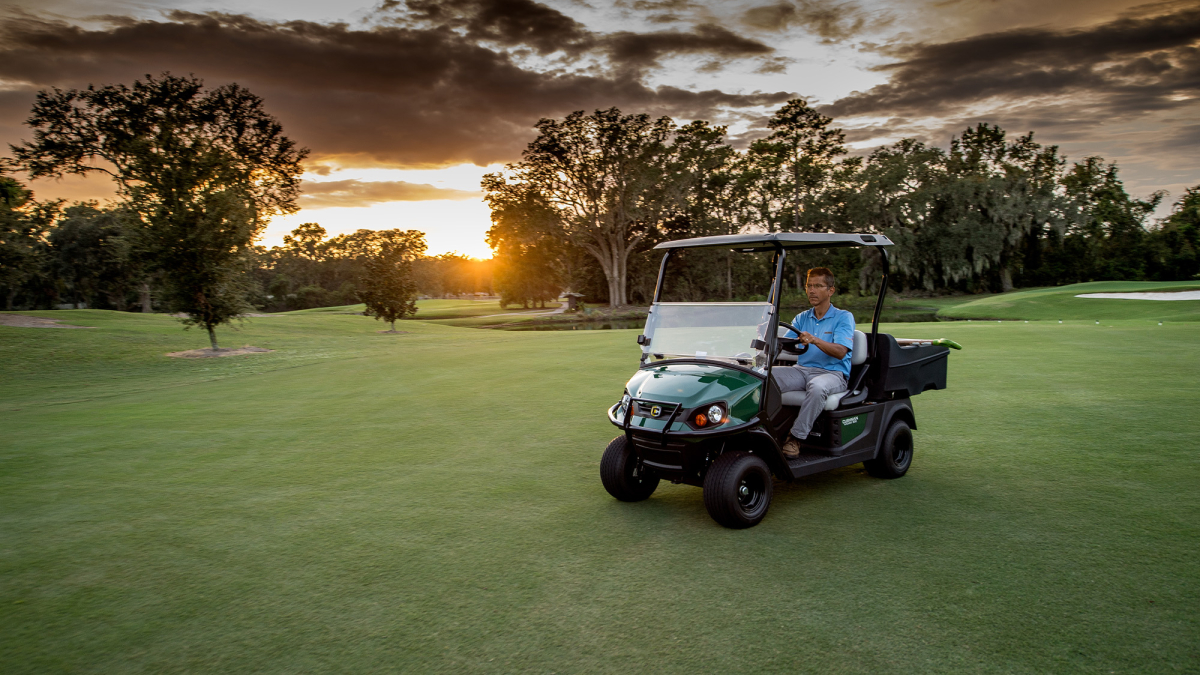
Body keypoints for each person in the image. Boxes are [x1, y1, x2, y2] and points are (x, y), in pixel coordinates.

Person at [774, 267, 855, 459]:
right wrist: (767, 336)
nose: (812, 290)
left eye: (818, 286)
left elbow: (841, 352)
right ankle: (764, 429)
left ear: (830, 290)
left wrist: (815, 340)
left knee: (817, 387)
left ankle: (795, 438)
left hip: (833, 374)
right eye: (809, 286)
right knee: (764, 377)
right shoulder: (802, 317)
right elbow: (786, 345)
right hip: (802, 370)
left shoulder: (843, 317)